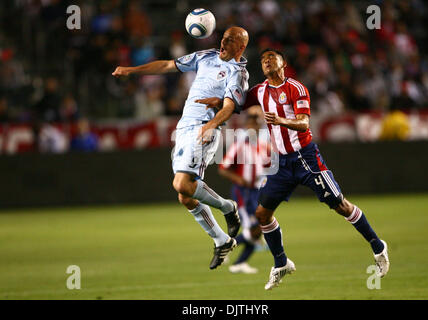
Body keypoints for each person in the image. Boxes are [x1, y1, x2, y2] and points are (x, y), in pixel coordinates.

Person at [200, 48, 390, 290]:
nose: (267, 61)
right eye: (263, 59)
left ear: (283, 63)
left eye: (272, 57)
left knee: (340, 205)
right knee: (262, 214)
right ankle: (281, 263)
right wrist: (218, 103)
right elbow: (236, 105)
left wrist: (281, 121)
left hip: (306, 158)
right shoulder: (260, 91)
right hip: (281, 164)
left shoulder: (296, 88)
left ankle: (378, 246)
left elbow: (303, 122)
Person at [112, 27, 250, 269]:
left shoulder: (238, 73)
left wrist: (212, 123)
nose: (223, 42)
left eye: (230, 40)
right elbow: (167, 66)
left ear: (241, 47)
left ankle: (228, 207)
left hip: (204, 128)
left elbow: (229, 106)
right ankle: (221, 240)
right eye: (224, 38)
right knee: (185, 197)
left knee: (182, 183)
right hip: (184, 127)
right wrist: (132, 71)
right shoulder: (206, 56)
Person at [218, 107, 270, 274]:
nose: (256, 126)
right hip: (243, 192)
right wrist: (240, 179)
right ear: (247, 124)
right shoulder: (240, 145)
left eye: (258, 123)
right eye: (253, 122)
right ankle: (225, 247)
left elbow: (265, 168)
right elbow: (223, 168)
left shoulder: (261, 145)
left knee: (258, 230)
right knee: (255, 229)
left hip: (256, 192)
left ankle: (238, 262)